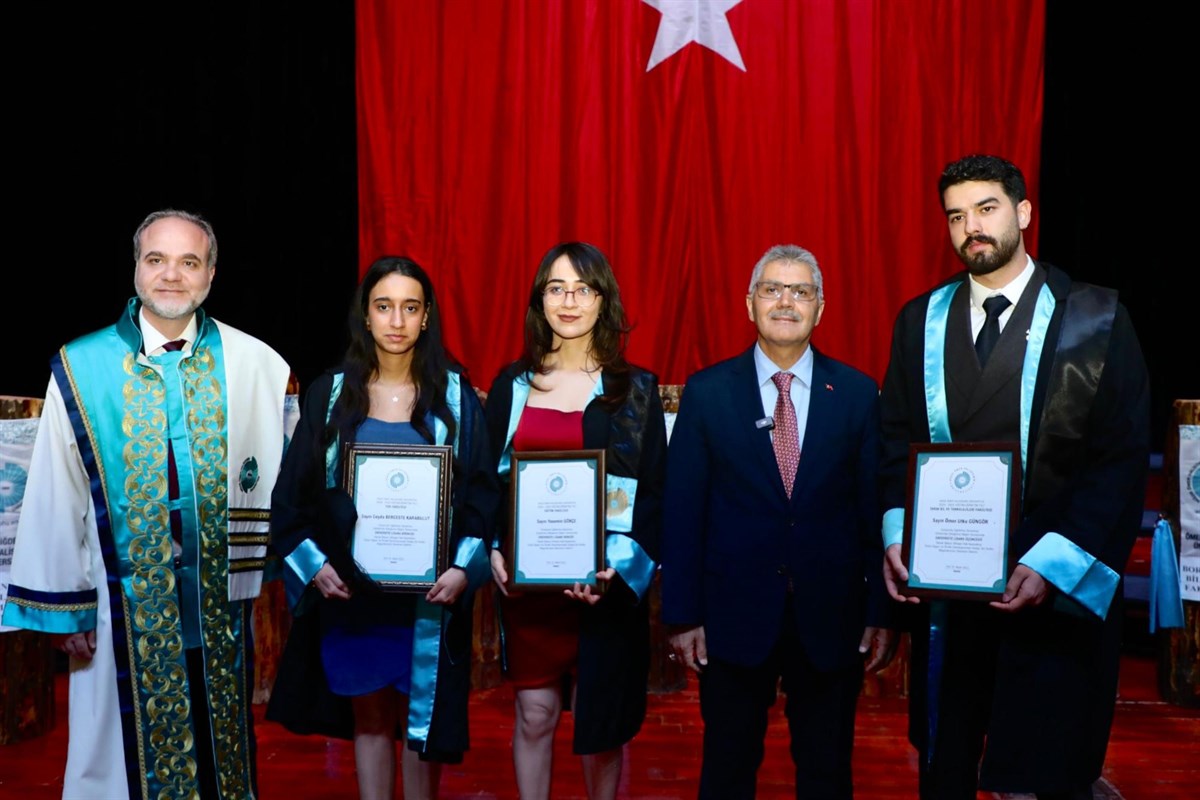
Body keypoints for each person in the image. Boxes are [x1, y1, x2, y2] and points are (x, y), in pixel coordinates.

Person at [879, 154, 1151, 800]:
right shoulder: (920, 321)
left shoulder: (1095, 319)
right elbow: (894, 440)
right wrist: (897, 531)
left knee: (1048, 765)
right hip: (949, 586)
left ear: (1024, 212)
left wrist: (1054, 563)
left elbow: (1119, 456)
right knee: (947, 761)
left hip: (1049, 580)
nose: (971, 227)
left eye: (986, 208)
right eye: (956, 216)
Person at [1, 209, 291, 799]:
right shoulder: (83, 366)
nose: (171, 275)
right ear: (136, 267)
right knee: (119, 761)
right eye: (156, 259)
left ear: (211, 273)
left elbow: (274, 480)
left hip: (216, 604)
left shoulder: (255, 363)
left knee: (217, 749)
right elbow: (57, 488)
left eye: (189, 262)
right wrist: (69, 605)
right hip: (120, 604)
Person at [659, 243, 894, 799]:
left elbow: (873, 511)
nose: (786, 302)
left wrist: (880, 612)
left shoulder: (858, 394)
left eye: (800, 291)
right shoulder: (707, 393)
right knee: (728, 770)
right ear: (750, 304)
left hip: (831, 619)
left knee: (827, 772)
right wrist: (682, 615)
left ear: (820, 308)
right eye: (772, 289)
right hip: (732, 618)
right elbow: (683, 511)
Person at [265, 256, 499, 800]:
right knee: (368, 720)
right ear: (365, 315)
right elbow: (292, 499)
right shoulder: (329, 395)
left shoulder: (457, 398)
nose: (396, 320)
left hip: (429, 600)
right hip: (352, 597)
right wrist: (315, 568)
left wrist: (463, 570)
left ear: (426, 317)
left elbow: (483, 497)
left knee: (421, 726)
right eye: (384, 306)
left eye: (410, 308)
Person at [483, 241, 667, 800]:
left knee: (600, 728)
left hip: (601, 589)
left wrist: (617, 569)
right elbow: (486, 484)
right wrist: (493, 547)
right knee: (534, 715)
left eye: (582, 289)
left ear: (603, 300)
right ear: (539, 301)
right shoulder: (511, 387)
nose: (568, 302)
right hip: (529, 591)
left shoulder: (635, 391)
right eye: (556, 289)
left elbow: (654, 496)